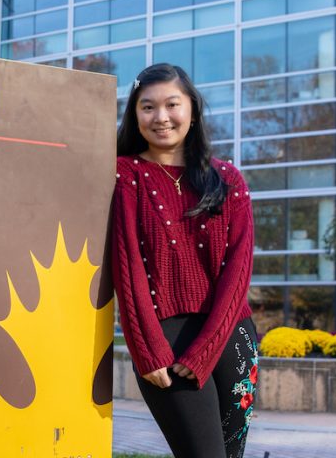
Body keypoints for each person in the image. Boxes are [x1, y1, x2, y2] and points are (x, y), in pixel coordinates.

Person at [111, 63, 258, 458]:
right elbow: (128, 268)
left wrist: (208, 348)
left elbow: (238, 270)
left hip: (232, 338)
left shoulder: (228, 180)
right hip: (166, 341)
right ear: (134, 115)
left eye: (172, 104)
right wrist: (146, 348)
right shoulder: (124, 176)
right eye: (147, 107)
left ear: (192, 109)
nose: (161, 117)